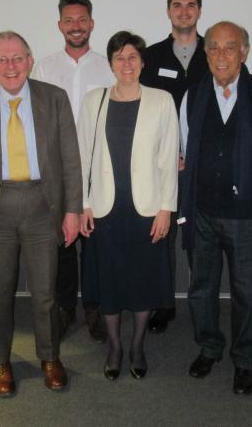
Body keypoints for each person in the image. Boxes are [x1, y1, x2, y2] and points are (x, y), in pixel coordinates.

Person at [0, 31, 82, 398]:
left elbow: (71, 161)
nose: (10, 66)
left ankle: (50, 356)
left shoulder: (54, 98)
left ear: (29, 60)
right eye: (2, 59)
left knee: (45, 292)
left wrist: (72, 210)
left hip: (43, 206)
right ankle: (1, 361)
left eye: (17, 58)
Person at [179, 21, 252, 395]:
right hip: (204, 210)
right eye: (213, 48)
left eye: (230, 47)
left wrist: (248, 186)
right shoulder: (193, 95)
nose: (221, 55)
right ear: (205, 53)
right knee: (201, 287)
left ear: (244, 52)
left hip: (248, 214)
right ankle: (209, 346)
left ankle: (246, 360)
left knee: (249, 291)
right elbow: (188, 148)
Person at [78, 31, 179, 380]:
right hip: (105, 210)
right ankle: (114, 347)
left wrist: (166, 207)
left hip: (146, 210)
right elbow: (81, 158)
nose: (126, 64)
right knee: (109, 282)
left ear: (142, 62)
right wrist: (84, 203)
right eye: (119, 57)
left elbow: (168, 159)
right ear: (110, 63)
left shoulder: (161, 100)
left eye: (133, 57)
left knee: (142, 281)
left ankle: (136, 346)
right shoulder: (94, 100)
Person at [31, 0, 115, 343]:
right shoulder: (45, 69)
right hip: (58, 171)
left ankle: (95, 309)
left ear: (91, 23)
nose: (76, 26)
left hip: (100, 169)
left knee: (95, 246)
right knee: (63, 245)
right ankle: (65, 308)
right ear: (60, 25)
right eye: (69, 20)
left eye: (82, 19)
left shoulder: (108, 67)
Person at [140, 0, 209, 334]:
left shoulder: (215, 54)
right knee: (160, 239)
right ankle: (162, 305)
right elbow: (144, 113)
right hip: (160, 168)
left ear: (199, 10)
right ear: (168, 11)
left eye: (191, 5)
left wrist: (194, 157)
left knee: (199, 242)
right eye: (178, 5)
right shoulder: (150, 57)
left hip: (200, 169)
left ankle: (202, 307)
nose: (184, 11)